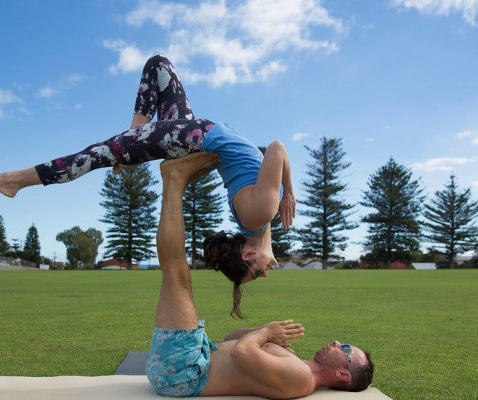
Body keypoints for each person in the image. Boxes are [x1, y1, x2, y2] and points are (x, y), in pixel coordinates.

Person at [0, 55, 295, 318]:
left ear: (249, 252)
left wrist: (286, 192)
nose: (265, 274)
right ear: (250, 253)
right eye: (256, 275)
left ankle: (14, 181)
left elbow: (272, 153)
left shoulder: (257, 216)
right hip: (193, 135)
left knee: (99, 154)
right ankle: (134, 134)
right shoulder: (261, 214)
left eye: (256, 274)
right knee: (158, 67)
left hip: (192, 137)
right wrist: (288, 193)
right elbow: (277, 149)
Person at [146, 153, 374, 398]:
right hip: (191, 363)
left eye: (346, 349)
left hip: (185, 373)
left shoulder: (302, 379)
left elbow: (240, 352)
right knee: (176, 272)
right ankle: (175, 178)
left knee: (176, 272)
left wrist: (266, 335)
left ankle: (175, 178)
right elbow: (230, 338)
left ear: (343, 374)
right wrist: (265, 331)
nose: (338, 342)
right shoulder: (296, 364)